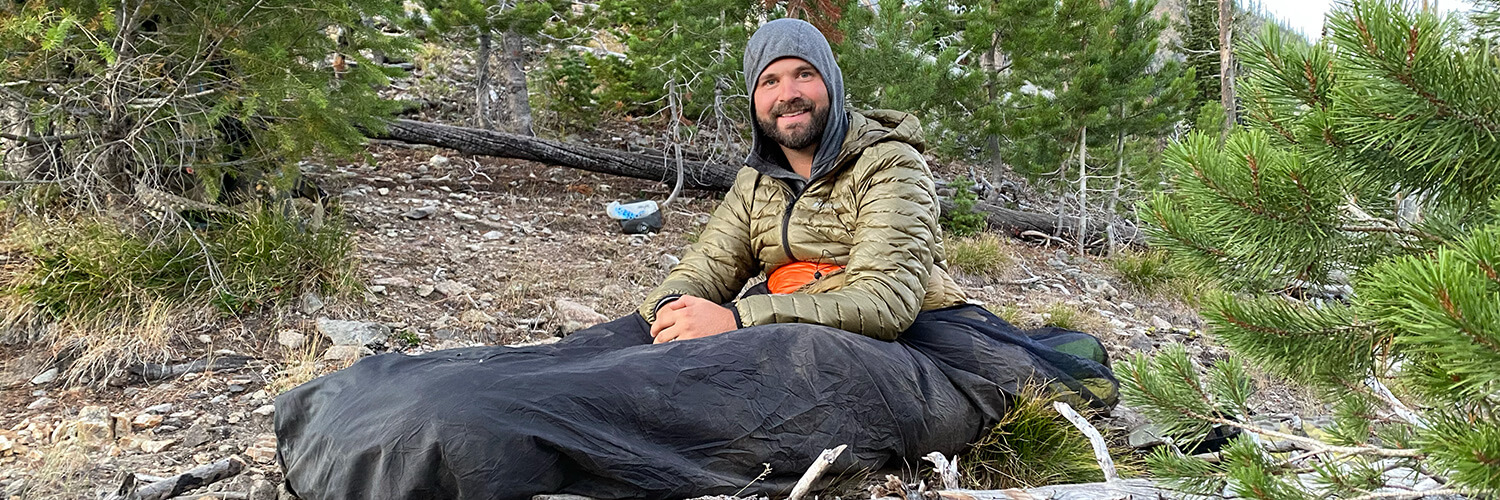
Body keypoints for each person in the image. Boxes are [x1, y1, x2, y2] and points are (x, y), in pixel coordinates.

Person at [274, 19, 1117, 500]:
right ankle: (388, 407)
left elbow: (888, 299)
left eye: (801, 76)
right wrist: (676, 311)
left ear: (829, 85)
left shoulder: (891, 165)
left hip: (909, 351)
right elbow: (703, 268)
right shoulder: (756, 181)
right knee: (623, 338)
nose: (787, 93)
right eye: (769, 82)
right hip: (792, 324)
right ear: (755, 101)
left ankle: (469, 442)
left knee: (774, 355)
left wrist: (739, 315)